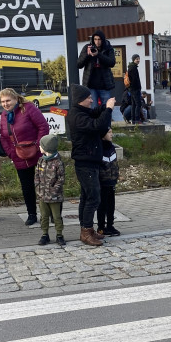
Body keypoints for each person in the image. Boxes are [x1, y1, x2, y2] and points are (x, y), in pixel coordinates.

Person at [66, 84, 113, 246]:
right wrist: (108, 110)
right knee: (93, 197)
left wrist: (104, 107)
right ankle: (86, 231)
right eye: (89, 98)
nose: (92, 100)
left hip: (90, 160)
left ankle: (87, 228)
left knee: (86, 197)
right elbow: (97, 125)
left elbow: (93, 113)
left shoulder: (80, 112)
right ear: (80, 101)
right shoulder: (77, 116)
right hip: (85, 162)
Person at [0, 88, 49, 227]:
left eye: (8, 100)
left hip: (36, 154)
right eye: (2, 102)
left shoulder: (28, 108)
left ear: (15, 99)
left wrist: (38, 146)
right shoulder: (4, 115)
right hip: (19, 156)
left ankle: (49, 213)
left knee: (43, 185)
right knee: (27, 187)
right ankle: (31, 214)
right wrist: (11, 153)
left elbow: (43, 127)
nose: (5, 104)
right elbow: (3, 136)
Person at [34, 132, 66, 246]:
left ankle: (59, 234)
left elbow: (61, 179)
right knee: (44, 216)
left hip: (55, 196)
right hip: (42, 195)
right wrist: (38, 189)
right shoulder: (41, 161)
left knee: (57, 216)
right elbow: (37, 176)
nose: (39, 147)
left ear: (47, 148)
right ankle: (44, 234)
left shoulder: (58, 162)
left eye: (41, 145)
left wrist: (54, 190)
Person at [76, 29, 116, 106]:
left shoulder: (108, 48)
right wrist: (87, 55)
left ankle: (106, 118)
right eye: (95, 39)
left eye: (99, 39)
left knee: (106, 108)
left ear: (103, 39)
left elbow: (112, 63)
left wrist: (98, 54)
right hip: (91, 85)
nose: (97, 42)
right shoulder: (88, 47)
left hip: (104, 85)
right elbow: (79, 65)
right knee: (93, 108)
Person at [97, 129, 121, 237]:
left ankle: (110, 225)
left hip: (112, 181)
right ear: (102, 135)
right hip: (103, 182)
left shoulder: (111, 147)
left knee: (111, 205)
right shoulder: (99, 148)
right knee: (102, 205)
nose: (111, 134)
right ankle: (101, 227)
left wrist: (116, 175)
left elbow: (115, 163)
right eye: (109, 132)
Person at [127, 54, 144, 123]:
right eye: (137, 59)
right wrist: (138, 87)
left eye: (139, 59)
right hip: (135, 89)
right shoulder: (133, 68)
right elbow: (134, 79)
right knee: (138, 104)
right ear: (133, 59)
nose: (138, 60)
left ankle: (133, 119)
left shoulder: (131, 67)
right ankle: (137, 119)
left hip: (132, 89)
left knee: (134, 104)